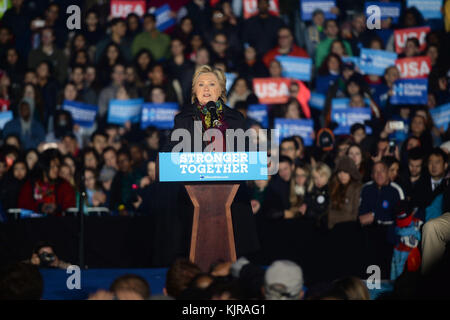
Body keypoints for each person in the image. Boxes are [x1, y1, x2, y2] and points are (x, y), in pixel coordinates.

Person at [154, 65, 260, 265]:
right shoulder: (183, 118)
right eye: (201, 84)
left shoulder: (235, 118)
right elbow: (170, 152)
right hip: (193, 199)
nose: (206, 88)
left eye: (212, 84)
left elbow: (247, 155)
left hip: (232, 198)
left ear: (221, 90)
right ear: (194, 91)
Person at [18, 149, 76, 215]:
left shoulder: (64, 185)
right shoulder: (31, 184)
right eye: (53, 166)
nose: (56, 169)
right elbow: (23, 205)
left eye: (58, 166)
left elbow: (69, 206)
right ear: (44, 167)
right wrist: (40, 207)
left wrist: (58, 207)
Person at [328, 156, 362, 229]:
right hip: (333, 230)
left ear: (351, 172)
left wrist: (334, 217)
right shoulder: (334, 187)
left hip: (349, 230)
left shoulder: (357, 188)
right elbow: (330, 212)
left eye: (345, 172)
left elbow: (354, 216)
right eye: (340, 172)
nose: (342, 175)